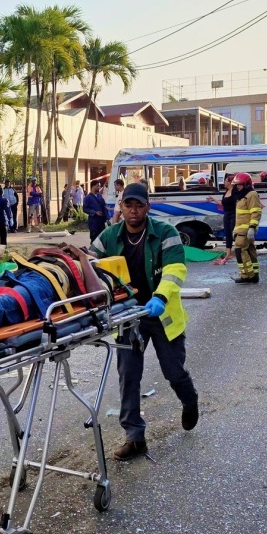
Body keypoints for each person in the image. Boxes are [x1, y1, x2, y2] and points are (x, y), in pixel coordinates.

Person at [88, 183, 198, 461]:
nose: (134, 211)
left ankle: (189, 400)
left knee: (174, 372)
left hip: (161, 314)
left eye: (139, 205)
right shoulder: (109, 236)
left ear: (148, 207)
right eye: (129, 205)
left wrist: (160, 296)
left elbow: (175, 269)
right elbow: (90, 263)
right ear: (121, 207)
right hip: (128, 316)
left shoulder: (166, 233)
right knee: (129, 376)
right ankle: (135, 438)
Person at [231, 173, 263, 284]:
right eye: (236, 185)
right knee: (250, 251)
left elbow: (256, 212)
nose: (238, 187)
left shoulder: (251, 194)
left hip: (245, 230)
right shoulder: (242, 196)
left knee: (239, 250)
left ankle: (247, 275)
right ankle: (254, 275)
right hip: (241, 230)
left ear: (247, 184)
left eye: (240, 185)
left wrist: (252, 228)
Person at [207, 174, 237, 265]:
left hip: (234, 214)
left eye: (226, 181)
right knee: (227, 234)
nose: (224, 182)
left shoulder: (235, 192)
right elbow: (223, 203)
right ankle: (228, 254)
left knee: (235, 233)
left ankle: (238, 251)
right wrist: (214, 200)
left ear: (230, 182)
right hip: (227, 214)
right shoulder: (226, 192)